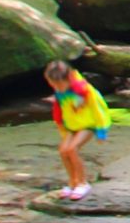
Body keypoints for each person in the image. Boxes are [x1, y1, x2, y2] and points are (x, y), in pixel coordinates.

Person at [45, 60, 108, 201]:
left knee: (72, 149)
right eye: (53, 84)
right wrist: (61, 126)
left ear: (68, 79)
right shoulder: (60, 91)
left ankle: (83, 183)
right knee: (63, 151)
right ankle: (72, 182)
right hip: (72, 126)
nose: (57, 87)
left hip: (88, 124)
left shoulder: (83, 90)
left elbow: (98, 108)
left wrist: (101, 129)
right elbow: (59, 110)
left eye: (59, 84)